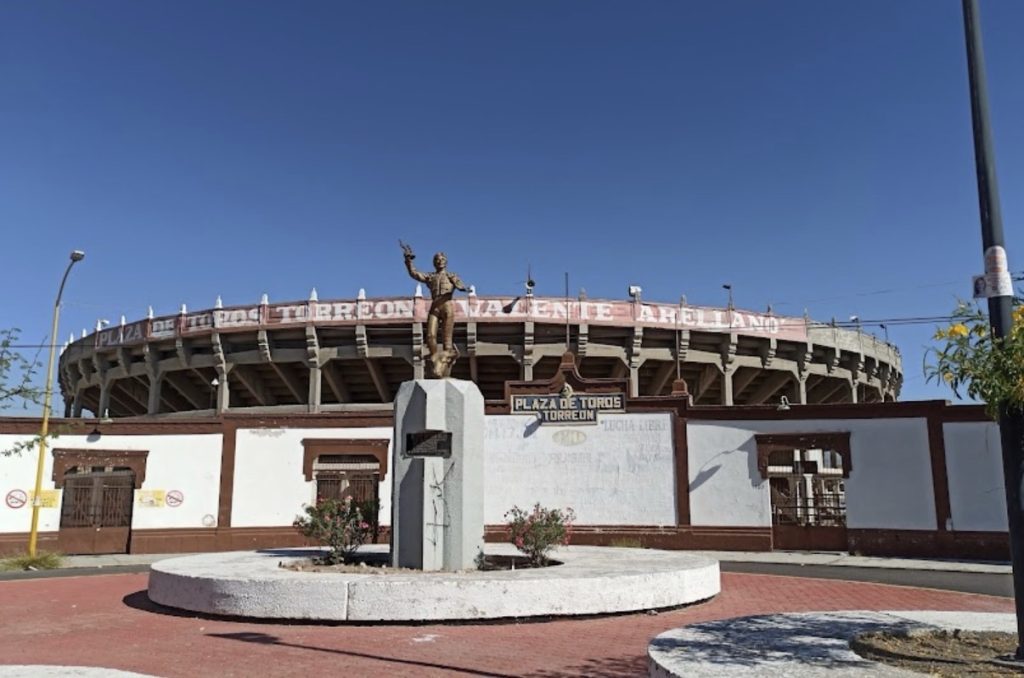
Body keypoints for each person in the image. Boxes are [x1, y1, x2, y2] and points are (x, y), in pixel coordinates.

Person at [403, 246, 468, 377]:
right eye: (437, 259)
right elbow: (414, 274)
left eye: (442, 259)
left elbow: (460, 284)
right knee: (430, 336)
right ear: (434, 263)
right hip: (435, 306)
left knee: (447, 340)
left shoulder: (451, 275)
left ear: (446, 262)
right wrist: (409, 261)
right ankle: (435, 360)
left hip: (447, 306)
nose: (440, 261)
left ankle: (446, 370)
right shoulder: (430, 277)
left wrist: (461, 287)